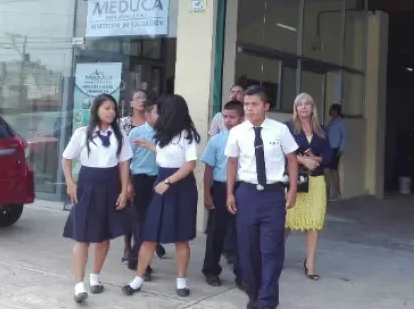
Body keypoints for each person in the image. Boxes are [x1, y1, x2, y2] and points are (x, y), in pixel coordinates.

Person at [225, 85, 299, 309]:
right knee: (247, 251)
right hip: (246, 193)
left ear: (266, 106)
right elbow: (232, 162)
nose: (249, 109)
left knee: (271, 250)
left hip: (273, 195)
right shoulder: (237, 132)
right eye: (246, 104)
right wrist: (229, 193)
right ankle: (254, 295)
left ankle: (267, 302)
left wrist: (293, 189)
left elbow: (292, 159)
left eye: (254, 104)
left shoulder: (280, 130)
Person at [123, 94, 201, 298]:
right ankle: (138, 278)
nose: (157, 113)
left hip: (180, 186)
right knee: (149, 235)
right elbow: (163, 154)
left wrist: (168, 182)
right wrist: (147, 145)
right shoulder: (162, 134)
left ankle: (181, 280)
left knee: (181, 238)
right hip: (162, 183)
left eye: (161, 109)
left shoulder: (187, 135)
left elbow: (190, 164)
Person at [61, 93, 132, 303]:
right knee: (82, 237)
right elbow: (66, 158)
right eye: (106, 108)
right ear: (96, 110)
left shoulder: (120, 136)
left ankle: (95, 277)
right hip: (87, 184)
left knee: (103, 237)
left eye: (113, 108)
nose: (111, 112)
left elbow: (124, 164)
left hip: (110, 185)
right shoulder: (82, 133)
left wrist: (123, 190)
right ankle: (79, 284)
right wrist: (70, 182)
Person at [284, 93, 333, 281]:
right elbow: (282, 149)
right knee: (286, 221)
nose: (303, 107)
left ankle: (310, 264)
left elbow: (329, 154)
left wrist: (317, 159)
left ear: (313, 108)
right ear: (295, 109)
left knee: (313, 224)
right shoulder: (288, 128)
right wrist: (302, 159)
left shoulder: (321, 129)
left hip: (316, 180)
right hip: (295, 179)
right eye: (299, 104)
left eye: (307, 104)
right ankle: (275, 257)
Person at [200, 100, 245, 288]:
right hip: (219, 187)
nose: (227, 120)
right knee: (216, 231)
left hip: (242, 187)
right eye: (225, 116)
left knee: (242, 232)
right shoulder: (216, 140)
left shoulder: (247, 139)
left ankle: (242, 274)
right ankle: (210, 269)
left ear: (241, 118)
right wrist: (207, 194)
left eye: (232, 117)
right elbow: (208, 169)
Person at [125, 98, 162, 274]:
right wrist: (127, 184)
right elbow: (126, 160)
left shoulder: (165, 133)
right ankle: (140, 263)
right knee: (140, 222)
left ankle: (137, 258)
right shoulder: (136, 133)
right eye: (157, 112)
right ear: (147, 114)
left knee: (153, 222)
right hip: (140, 180)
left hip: (160, 181)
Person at [118, 89, 148, 262]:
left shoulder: (152, 120)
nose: (141, 101)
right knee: (129, 211)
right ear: (130, 103)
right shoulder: (124, 123)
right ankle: (127, 246)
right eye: (137, 98)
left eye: (144, 98)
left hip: (146, 170)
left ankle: (143, 245)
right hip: (127, 168)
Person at [326, 103, 348, 200]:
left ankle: (338, 193)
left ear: (336, 111)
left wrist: (341, 149)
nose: (331, 111)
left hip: (335, 149)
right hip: (329, 148)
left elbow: (344, 136)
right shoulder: (331, 122)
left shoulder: (341, 122)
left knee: (333, 170)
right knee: (331, 170)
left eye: (333, 110)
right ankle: (336, 192)